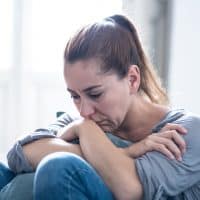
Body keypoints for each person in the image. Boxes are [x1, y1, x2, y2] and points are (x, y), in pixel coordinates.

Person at [1, 14, 200, 200]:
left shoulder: (184, 131)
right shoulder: (82, 122)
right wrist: (123, 152)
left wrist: (86, 134)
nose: (84, 111)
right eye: (74, 96)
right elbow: (19, 154)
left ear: (132, 79)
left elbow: (128, 187)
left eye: (95, 94)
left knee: (57, 167)